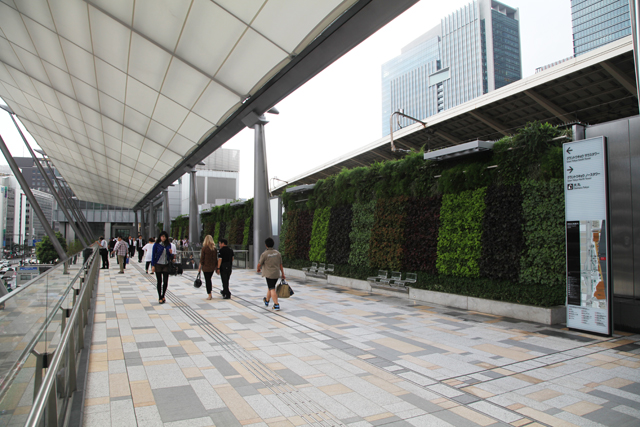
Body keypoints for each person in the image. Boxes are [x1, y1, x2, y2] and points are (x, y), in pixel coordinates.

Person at [257, 237, 286, 311]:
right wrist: (283, 274)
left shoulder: (265, 254)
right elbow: (280, 265)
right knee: (270, 287)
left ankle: (276, 304)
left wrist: (258, 269)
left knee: (272, 288)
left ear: (266, 245)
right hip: (276, 274)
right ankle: (266, 300)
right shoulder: (278, 253)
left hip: (269, 274)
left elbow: (259, 264)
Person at [151, 231, 173, 304]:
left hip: (166, 264)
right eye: (162, 236)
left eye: (164, 236)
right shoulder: (156, 245)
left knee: (165, 281)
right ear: (160, 237)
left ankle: (163, 295)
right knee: (159, 281)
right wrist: (153, 265)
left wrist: (170, 253)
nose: (163, 238)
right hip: (158, 264)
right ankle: (160, 296)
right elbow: (153, 255)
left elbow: (170, 257)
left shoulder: (168, 245)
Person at [198, 235, 218, 301]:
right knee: (209, 279)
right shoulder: (214, 249)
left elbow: (202, 259)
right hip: (212, 267)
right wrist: (216, 267)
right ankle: (210, 292)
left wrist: (199, 268)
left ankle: (209, 294)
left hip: (206, 267)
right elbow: (216, 259)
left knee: (207, 280)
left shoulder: (204, 248)